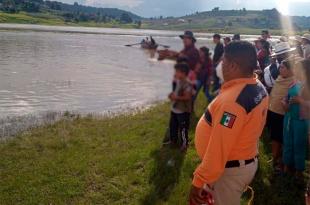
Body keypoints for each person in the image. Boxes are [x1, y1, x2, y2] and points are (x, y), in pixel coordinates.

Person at [189, 41, 269, 205]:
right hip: (242, 162)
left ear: (233, 66)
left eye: (223, 62)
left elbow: (218, 149)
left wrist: (198, 182)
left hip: (229, 171)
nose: (220, 66)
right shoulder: (257, 86)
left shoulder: (233, 103)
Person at [282, 59, 309, 183]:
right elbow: (286, 97)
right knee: (287, 142)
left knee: (299, 145)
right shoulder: (294, 82)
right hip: (289, 118)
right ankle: (287, 165)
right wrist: (284, 103)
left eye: (298, 68)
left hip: (301, 121)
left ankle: (299, 171)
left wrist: (301, 101)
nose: (295, 70)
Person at [266, 58, 295, 175]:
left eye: (282, 67)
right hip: (273, 111)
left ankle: (281, 162)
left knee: (282, 139)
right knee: (274, 137)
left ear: (290, 70)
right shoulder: (279, 78)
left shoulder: (293, 82)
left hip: (283, 114)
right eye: (280, 66)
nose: (280, 69)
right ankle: (275, 159)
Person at [168, 63, 193, 151]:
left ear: (183, 73)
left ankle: (184, 144)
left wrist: (176, 97)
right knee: (173, 126)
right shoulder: (179, 81)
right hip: (175, 108)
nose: (175, 73)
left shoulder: (187, 84)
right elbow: (177, 92)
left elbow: (188, 97)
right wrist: (172, 95)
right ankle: (173, 141)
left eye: (177, 72)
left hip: (182, 110)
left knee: (183, 128)